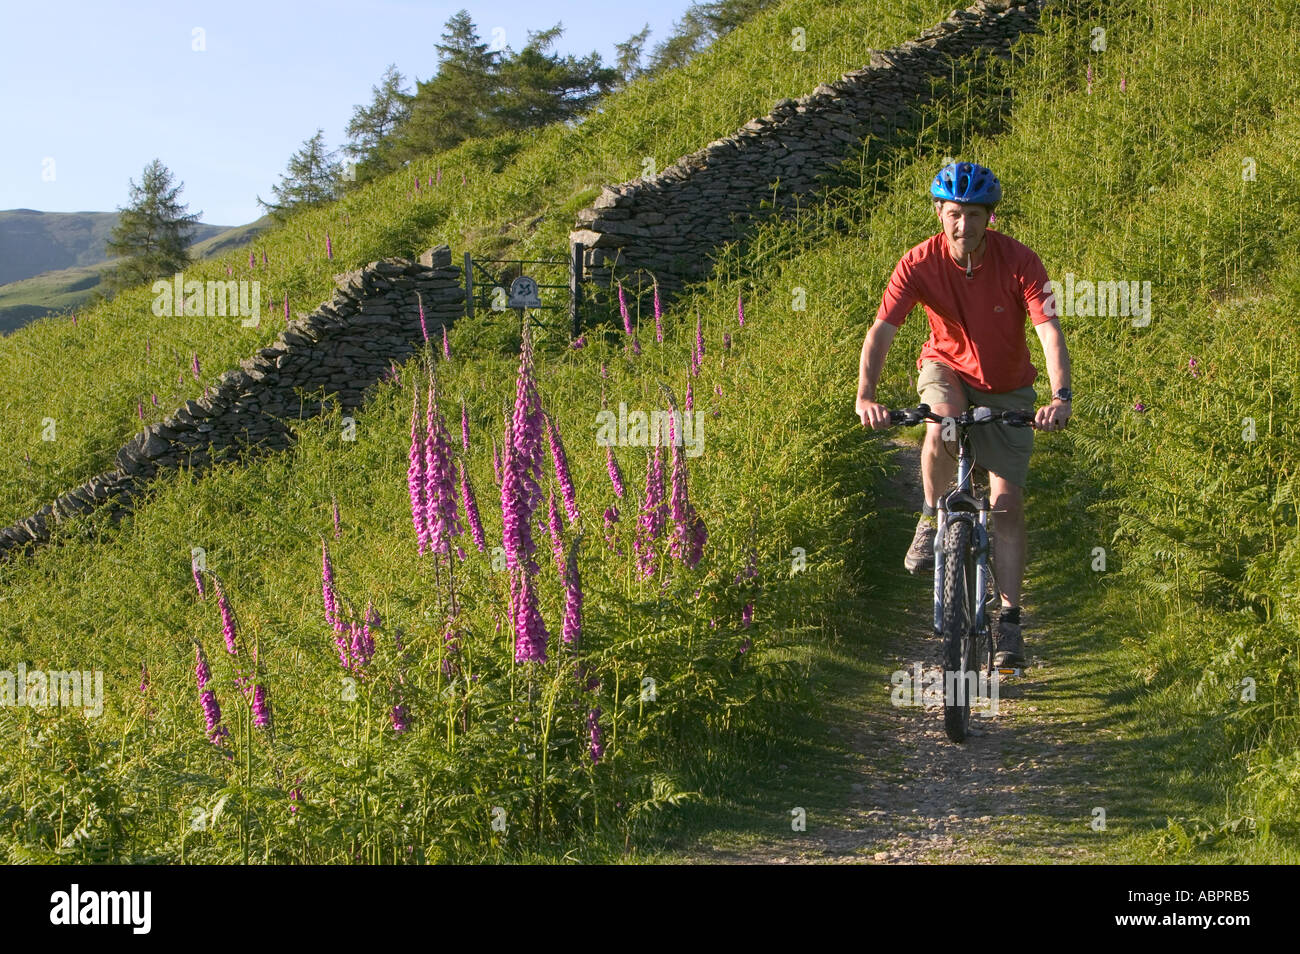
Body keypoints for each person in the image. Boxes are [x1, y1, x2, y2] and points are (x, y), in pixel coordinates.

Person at [854, 160, 1072, 668]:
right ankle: (931, 519)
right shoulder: (917, 262)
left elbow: (1049, 331)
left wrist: (1059, 396)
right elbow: (882, 330)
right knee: (942, 423)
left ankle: (1012, 624)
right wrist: (867, 395)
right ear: (939, 213)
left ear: (989, 217)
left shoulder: (1021, 261)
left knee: (1005, 505)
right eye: (954, 214)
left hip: (1008, 385)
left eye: (974, 215)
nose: (963, 226)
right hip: (945, 367)